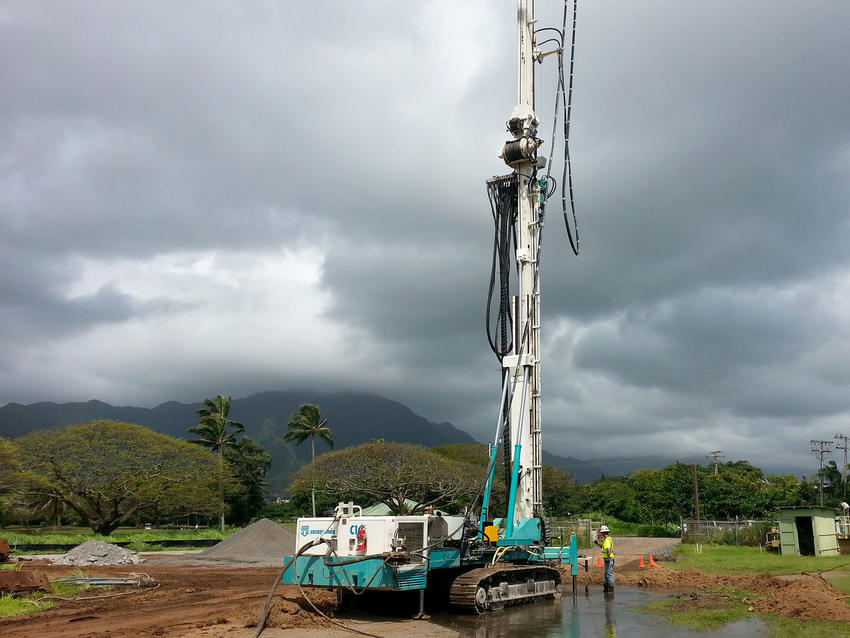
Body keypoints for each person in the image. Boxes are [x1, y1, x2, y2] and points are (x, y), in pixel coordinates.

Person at [594, 524, 614, 592]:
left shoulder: (607, 540)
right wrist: (597, 544)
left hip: (609, 559)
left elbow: (608, 549)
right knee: (606, 574)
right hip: (607, 559)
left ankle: (611, 590)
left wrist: (608, 557)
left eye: (601, 533)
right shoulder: (606, 539)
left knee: (609, 574)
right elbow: (603, 547)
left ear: (603, 533)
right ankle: (606, 588)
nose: (601, 534)